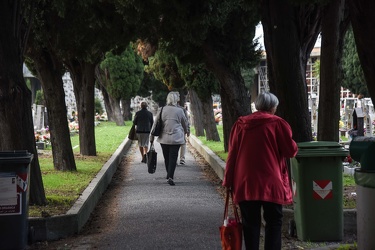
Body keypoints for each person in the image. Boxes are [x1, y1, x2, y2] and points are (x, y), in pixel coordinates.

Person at [222, 92, 298, 250]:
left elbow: (232, 155)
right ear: (272, 107)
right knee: (274, 222)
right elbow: (290, 151)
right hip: (271, 180)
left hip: (245, 181)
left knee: (250, 223)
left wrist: (228, 181)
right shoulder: (278, 123)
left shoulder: (240, 125)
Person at [150, 92, 189, 186]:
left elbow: (155, 124)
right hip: (176, 138)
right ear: (176, 100)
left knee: (166, 157)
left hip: (164, 138)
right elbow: (184, 123)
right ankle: (170, 176)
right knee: (173, 157)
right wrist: (187, 131)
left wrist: (151, 136)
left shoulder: (162, 109)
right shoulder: (180, 111)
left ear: (168, 99)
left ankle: (169, 174)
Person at [170, 91, 190, 165]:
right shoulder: (182, 109)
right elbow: (186, 121)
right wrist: (187, 130)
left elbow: (186, 120)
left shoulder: (168, 109)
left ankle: (176, 159)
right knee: (182, 144)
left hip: (173, 129)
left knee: (174, 145)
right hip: (181, 130)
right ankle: (182, 159)